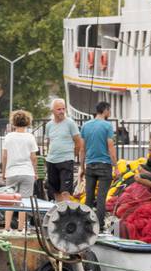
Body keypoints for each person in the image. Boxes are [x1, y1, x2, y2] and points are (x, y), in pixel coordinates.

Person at [0, 109, 38, 232]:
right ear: (27, 122)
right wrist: (35, 172)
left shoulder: (9, 137)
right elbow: (33, 157)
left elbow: (4, 156)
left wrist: (4, 171)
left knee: (10, 201)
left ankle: (7, 228)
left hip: (11, 172)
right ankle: (21, 229)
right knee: (24, 202)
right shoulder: (30, 137)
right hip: (27, 172)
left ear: (14, 122)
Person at [81, 101, 118, 229]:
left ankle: (85, 224)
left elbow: (82, 149)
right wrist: (116, 166)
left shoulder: (85, 126)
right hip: (104, 165)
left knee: (89, 197)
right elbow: (111, 148)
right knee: (101, 198)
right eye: (110, 110)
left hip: (90, 165)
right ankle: (99, 225)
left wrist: (82, 167)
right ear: (105, 110)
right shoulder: (107, 126)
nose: (110, 112)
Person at [44, 98, 83, 202]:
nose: (61, 111)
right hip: (52, 160)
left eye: (63, 109)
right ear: (53, 111)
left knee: (65, 190)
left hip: (66, 159)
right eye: (58, 109)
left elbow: (78, 142)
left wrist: (72, 155)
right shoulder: (49, 125)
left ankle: (67, 212)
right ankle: (59, 211)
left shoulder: (70, 123)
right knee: (55, 190)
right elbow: (49, 142)